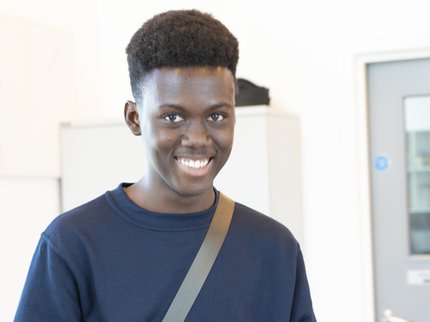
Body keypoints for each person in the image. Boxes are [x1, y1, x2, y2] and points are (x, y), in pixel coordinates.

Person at [14, 9, 316, 321]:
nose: (198, 138)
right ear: (134, 118)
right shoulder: (72, 245)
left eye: (217, 116)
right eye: (173, 117)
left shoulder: (275, 249)